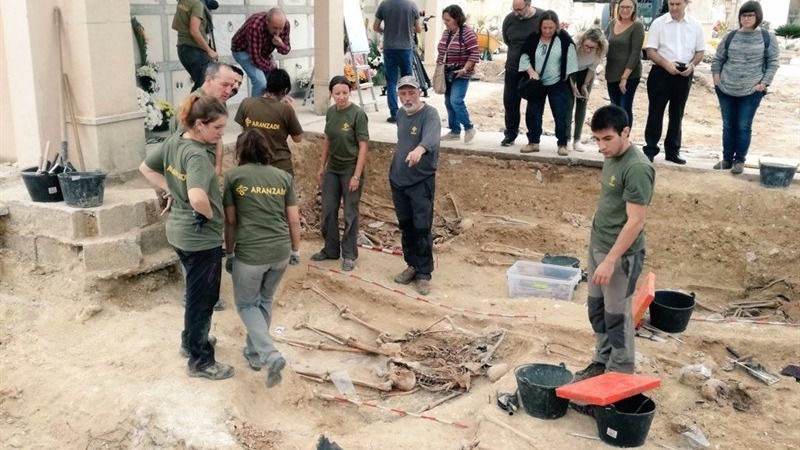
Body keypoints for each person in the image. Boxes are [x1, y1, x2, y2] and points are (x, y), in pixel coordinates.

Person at [139, 95, 233, 380]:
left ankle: (190, 341)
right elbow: (196, 195)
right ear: (200, 125)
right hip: (200, 239)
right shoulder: (197, 156)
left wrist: (170, 190)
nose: (221, 134)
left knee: (195, 295)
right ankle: (201, 360)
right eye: (217, 128)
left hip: (179, 233)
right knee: (202, 300)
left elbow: (145, 169)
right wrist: (208, 215)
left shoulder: (175, 140)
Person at [575, 105, 655, 381]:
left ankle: (619, 374)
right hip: (599, 246)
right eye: (596, 139)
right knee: (597, 310)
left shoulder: (637, 168)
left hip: (620, 257)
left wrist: (610, 260)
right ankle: (601, 360)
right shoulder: (611, 157)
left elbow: (635, 222)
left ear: (625, 132)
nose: (601, 146)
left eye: (607, 139)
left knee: (617, 318)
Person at [222, 129, 301, 388]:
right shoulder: (283, 177)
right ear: (266, 150)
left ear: (240, 151)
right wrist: (296, 250)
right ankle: (254, 353)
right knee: (264, 300)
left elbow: (231, 220)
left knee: (246, 305)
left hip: (251, 252)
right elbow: (293, 219)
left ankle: (268, 354)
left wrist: (230, 251)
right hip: (280, 251)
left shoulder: (234, 177)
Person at [710, 1, 779, 175]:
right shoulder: (730, 36)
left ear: (758, 17)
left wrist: (764, 84)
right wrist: (717, 80)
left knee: (743, 125)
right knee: (728, 125)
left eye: (750, 15)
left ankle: (739, 160)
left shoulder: (767, 37)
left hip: (751, 91)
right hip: (726, 88)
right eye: (744, 15)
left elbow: (773, 63)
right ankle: (726, 159)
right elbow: (718, 59)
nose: (746, 19)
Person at [311, 76, 370, 271]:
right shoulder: (331, 113)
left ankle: (350, 254)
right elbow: (327, 139)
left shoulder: (358, 114)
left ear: (350, 92)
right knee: (328, 209)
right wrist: (321, 166)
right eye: (337, 93)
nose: (341, 97)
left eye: (345, 93)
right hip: (333, 169)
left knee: (350, 213)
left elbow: (363, 146)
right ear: (331, 94)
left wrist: (356, 175)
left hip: (350, 169)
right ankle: (330, 249)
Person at [390, 76, 440, 296]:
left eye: (411, 93)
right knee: (406, 226)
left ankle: (423, 273)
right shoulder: (401, 114)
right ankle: (411, 264)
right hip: (399, 180)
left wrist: (419, 151)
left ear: (419, 92)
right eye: (403, 93)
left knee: (422, 227)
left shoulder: (430, 114)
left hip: (420, 181)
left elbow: (431, 138)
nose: (407, 98)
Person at [643, 0, 705, 165]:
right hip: (661, 72)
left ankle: (672, 151)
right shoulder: (658, 23)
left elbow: (700, 52)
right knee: (655, 112)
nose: (674, 7)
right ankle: (650, 149)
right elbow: (650, 51)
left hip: (684, 74)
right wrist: (667, 65)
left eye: (678, 4)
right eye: (671, 4)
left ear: (686, 3)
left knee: (677, 114)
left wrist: (692, 66)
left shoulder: (695, 25)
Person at [518, 10, 578, 156]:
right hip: (537, 83)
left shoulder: (563, 38)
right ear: (540, 26)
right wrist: (531, 72)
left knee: (560, 113)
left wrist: (570, 81)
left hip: (557, 82)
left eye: (551, 28)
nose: (547, 31)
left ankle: (562, 144)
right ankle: (533, 142)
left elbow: (571, 58)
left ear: (556, 26)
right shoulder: (533, 38)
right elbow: (524, 56)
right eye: (544, 28)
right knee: (534, 113)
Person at [235, 69, 304, 176]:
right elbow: (298, 138)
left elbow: (244, 130)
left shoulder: (246, 103)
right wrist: (293, 111)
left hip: (249, 165)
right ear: (285, 91)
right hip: (279, 167)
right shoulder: (286, 110)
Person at [500, 0, 544, 147]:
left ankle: (532, 138)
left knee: (533, 104)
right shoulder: (509, 19)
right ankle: (510, 134)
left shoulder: (542, 17)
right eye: (514, 10)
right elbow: (507, 40)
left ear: (529, 4)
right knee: (510, 102)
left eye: (520, 10)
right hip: (513, 68)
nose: (516, 13)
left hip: (533, 70)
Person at [436, 5, 480, 144]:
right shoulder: (446, 33)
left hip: (461, 73)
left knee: (456, 100)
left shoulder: (467, 33)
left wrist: (465, 69)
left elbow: (474, 53)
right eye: (444, 20)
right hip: (447, 72)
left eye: (448, 20)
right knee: (448, 101)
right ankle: (455, 131)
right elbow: (442, 51)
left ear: (456, 19)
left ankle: (469, 128)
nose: (445, 22)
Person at [373, 0, 422, 123]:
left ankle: (394, 114)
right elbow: (419, 29)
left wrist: (386, 31)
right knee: (408, 82)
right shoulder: (412, 5)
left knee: (391, 82)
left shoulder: (384, 4)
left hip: (389, 48)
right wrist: (407, 29)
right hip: (406, 48)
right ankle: (409, 110)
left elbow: (375, 27)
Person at [231, 7, 291, 97]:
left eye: (280, 28)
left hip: (263, 52)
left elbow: (286, 50)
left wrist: (280, 44)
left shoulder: (285, 25)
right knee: (261, 82)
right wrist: (271, 66)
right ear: (267, 22)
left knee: (274, 80)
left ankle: (270, 106)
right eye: (275, 28)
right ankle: (255, 109)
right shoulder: (255, 27)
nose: (278, 32)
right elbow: (256, 59)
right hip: (243, 50)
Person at [604, 0, 644, 128]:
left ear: (634, 9)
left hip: (629, 76)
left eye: (628, 7)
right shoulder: (612, 24)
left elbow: (635, 53)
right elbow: (603, 43)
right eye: (622, 7)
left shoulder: (637, 26)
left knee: (624, 107)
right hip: (611, 73)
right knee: (614, 107)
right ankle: (613, 140)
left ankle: (624, 140)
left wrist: (624, 77)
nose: (625, 10)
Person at [567, 28, 606, 152]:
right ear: (582, 41)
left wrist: (584, 85)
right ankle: (567, 139)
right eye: (586, 46)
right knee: (569, 103)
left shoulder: (604, 47)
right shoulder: (574, 43)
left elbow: (593, 67)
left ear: (598, 47)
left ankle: (577, 139)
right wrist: (573, 86)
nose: (588, 49)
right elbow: (568, 67)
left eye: (592, 48)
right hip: (572, 70)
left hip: (587, 72)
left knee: (582, 102)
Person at [172, 0, 218, 92]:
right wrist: (209, 50)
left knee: (202, 86)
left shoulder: (183, 2)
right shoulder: (197, 4)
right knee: (204, 87)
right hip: (195, 51)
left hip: (183, 50)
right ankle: (190, 106)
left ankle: (192, 105)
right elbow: (194, 31)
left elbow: (175, 25)